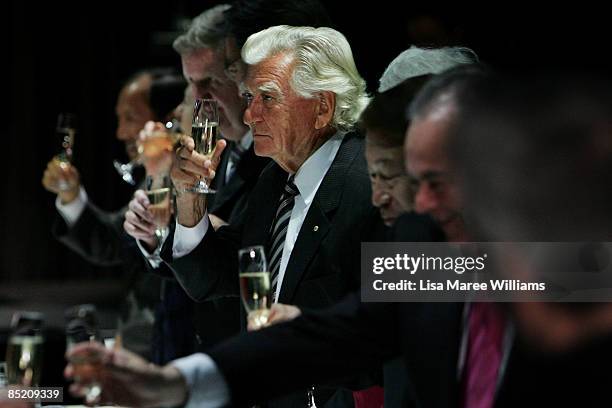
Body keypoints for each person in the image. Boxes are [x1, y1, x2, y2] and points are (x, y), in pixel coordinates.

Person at [42, 68, 186, 361]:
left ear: (168, 119)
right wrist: (71, 195)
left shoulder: (185, 181)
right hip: (141, 347)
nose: (121, 132)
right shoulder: (154, 177)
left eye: (130, 117)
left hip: (170, 356)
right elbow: (118, 240)